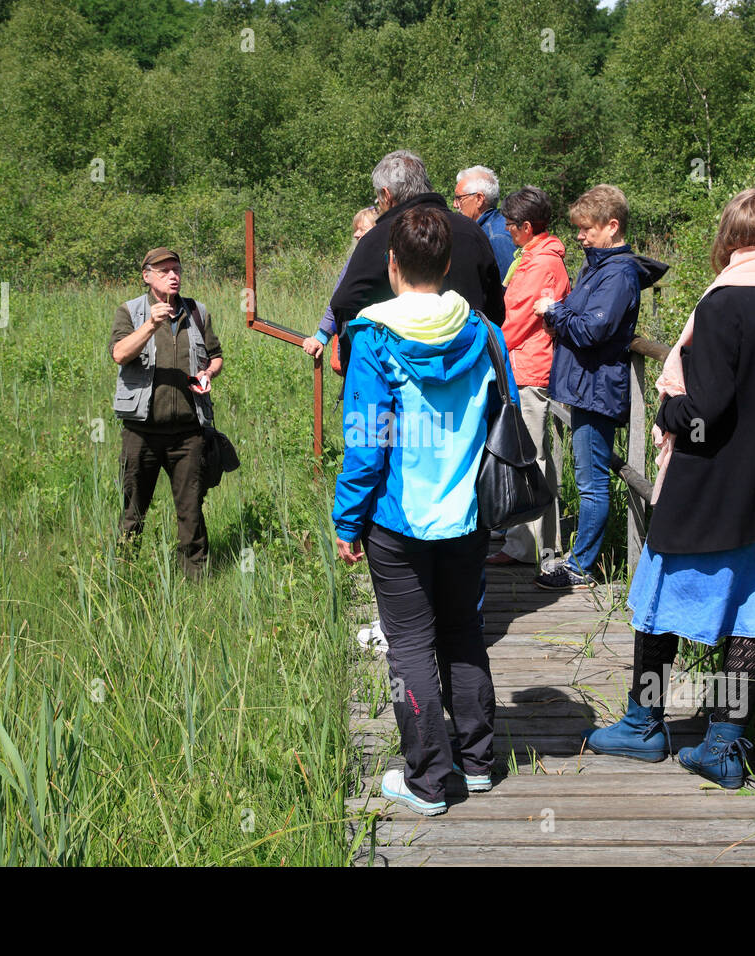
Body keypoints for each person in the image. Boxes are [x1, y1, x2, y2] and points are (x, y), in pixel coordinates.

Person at [583, 188, 755, 790]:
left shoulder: (725, 304)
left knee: (657, 599)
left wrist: (667, 413)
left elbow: (708, 409)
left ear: (731, 237)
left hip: (709, 472)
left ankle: (643, 725)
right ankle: (723, 743)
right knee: (750, 611)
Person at [332, 206, 518, 817]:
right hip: (469, 514)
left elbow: (365, 440)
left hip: (398, 517)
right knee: (464, 633)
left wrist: (346, 520)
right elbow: (506, 412)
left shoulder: (371, 337)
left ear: (391, 265)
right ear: (445, 266)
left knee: (410, 642)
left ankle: (429, 781)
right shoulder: (485, 331)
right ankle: (479, 762)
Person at [531, 185, 668, 590]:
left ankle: (582, 566)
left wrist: (553, 311)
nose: (579, 236)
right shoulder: (597, 266)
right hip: (586, 385)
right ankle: (581, 560)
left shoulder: (619, 273)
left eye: (586, 228)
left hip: (596, 388)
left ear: (612, 226)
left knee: (592, 480)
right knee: (590, 473)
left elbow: (591, 329)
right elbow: (582, 318)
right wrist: (561, 313)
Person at [330, 150, 505, 378]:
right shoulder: (472, 232)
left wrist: (363, 363)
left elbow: (345, 302)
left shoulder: (379, 237)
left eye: (377, 199)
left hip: (398, 381)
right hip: (470, 380)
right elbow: (494, 311)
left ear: (387, 194)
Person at [110, 247, 223, 578]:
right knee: (133, 511)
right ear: (147, 276)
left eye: (176, 269)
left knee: (191, 513)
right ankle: (125, 576)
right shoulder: (130, 312)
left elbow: (215, 356)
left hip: (188, 434)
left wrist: (208, 373)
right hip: (141, 432)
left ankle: (196, 582)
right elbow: (119, 354)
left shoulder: (197, 312)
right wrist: (150, 325)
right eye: (164, 271)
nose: (173, 275)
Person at [485, 186, 569, 570]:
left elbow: (517, 319)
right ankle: (529, 542)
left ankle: (533, 547)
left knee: (531, 456)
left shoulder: (541, 264)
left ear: (527, 227)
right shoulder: (531, 256)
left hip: (530, 368)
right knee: (529, 454)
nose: (506, 228)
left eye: (511, 224)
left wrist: (486, 344)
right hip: (524, 365)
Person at [301, 206, 379, 361]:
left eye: (362, 229)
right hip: (355, 344)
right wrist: (321, 336)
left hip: (379, 345)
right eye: (355, 229)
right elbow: (339, 298)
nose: (356, 234)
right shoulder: (355, 259)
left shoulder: (392, 259)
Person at [453, 165, 516, 281]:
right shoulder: (493, 227)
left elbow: (510, 290)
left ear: (479, 199)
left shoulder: (495, 238)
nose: (455, 205)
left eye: (459, 198)